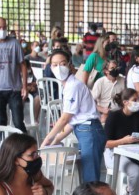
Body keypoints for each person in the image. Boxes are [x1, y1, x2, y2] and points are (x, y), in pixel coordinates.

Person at [41, 49, 105, 183]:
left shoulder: (73, 86)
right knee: (86, 175)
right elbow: (72, 121)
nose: (59, 68)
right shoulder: (69, 86)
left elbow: (65, 118)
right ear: (50, 68)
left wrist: (48, 138)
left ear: (70, 65)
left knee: (91, 178)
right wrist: (56, 140)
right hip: (85, 130)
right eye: (54, 65)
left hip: (89, 131)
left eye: (63, 64)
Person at [91, 58, 125, 124]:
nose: (115, 70)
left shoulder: (123, 80)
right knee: (104, 120)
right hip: (105, 112)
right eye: (112, 68)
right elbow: (90, 101)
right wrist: (102, 109)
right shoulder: (100, 82)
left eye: (116, 67)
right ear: (106, 71)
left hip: (120, 111)